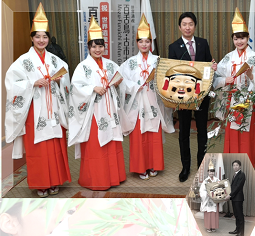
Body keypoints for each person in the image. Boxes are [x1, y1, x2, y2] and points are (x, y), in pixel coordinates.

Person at [4, 3, 71, 197]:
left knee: (55, 145)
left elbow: (65, 78)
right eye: (37, 36)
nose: (41, 40)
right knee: (39, 148)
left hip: (53, 107)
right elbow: (12, 83)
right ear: (32, 38)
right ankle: (41, 183)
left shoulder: (56, 60)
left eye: (45, 36)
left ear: (49, 39)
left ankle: (55, 181)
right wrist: (32, 83)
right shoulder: (23, 61)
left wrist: (58, 81)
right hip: (35, 109)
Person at [68, 16, 129, 190]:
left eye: (100, 46)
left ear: (104, 47)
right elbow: (75, 88)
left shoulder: (111, 65)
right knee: (96, 144)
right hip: (94, 111)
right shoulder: (82, 67)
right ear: (88, 47)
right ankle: (95, 179)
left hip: (109, 108)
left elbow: (120, 81)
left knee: (112, 141)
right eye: (94, 46)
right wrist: (92, 88)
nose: (97, 49)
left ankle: (114, 177)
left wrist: (117, 83)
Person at [213, 7, 255, 168]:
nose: (239, 41)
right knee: (232, 133)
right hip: (232, 102)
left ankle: (247, 164)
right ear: (232, 39)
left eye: (242, 38)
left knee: (247, 134)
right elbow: (216, 77)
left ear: (248, 38)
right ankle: (232, 163)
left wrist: (252, 76)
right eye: (236, 38)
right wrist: (223, 78)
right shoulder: (228, 58)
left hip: (249, 103)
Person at [118, 14, 175, 180]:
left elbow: (167, 80)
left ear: (151, 43)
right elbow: (122, 82)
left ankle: (153, 165)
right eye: (141, 41)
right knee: (139, 136)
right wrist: (135, 86)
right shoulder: (129, 63)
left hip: (153, 102)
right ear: (137, 43)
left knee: (153, 134)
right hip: (137, 103)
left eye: (147, 41)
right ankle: (140, 167)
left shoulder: (158, 61)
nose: (144, 44)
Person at [168, 12, 217, 182]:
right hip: (183, 97)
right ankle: (186, 167)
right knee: (184, 133)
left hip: (201, 95)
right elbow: (172, 73)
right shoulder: (173, 47)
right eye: (184, 24)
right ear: (180, 27)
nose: (188, 27)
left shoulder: (203, 43)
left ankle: (201, 166)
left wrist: (212, 67)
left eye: (191, 24)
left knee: (202, 131)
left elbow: (206, 66)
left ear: (195, 26)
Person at [199, 161, 223, 233]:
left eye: (212, 172)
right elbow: (202, 191)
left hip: (214, 200)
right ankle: (208, 227)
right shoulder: (205, 181)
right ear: (208, 172)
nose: (211, 173)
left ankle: (213, 227)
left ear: (214, 172)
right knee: (208, 213)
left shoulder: (217, 180)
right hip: (208, 199)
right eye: (210, 171)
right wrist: (206, 194)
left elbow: (221, 188)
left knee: (214, 214)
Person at [225, 160, 246, 236]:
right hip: (234, 198)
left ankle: (241, 232)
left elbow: (238, 187)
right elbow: (233, 187)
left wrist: (229, 195)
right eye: (234, 165)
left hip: (238, 198)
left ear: (240, 166)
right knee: (236, 215)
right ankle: (237, 230)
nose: (235, 167)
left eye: (237, 165)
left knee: (240, 215)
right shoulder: (235, 175)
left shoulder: (242, 174)